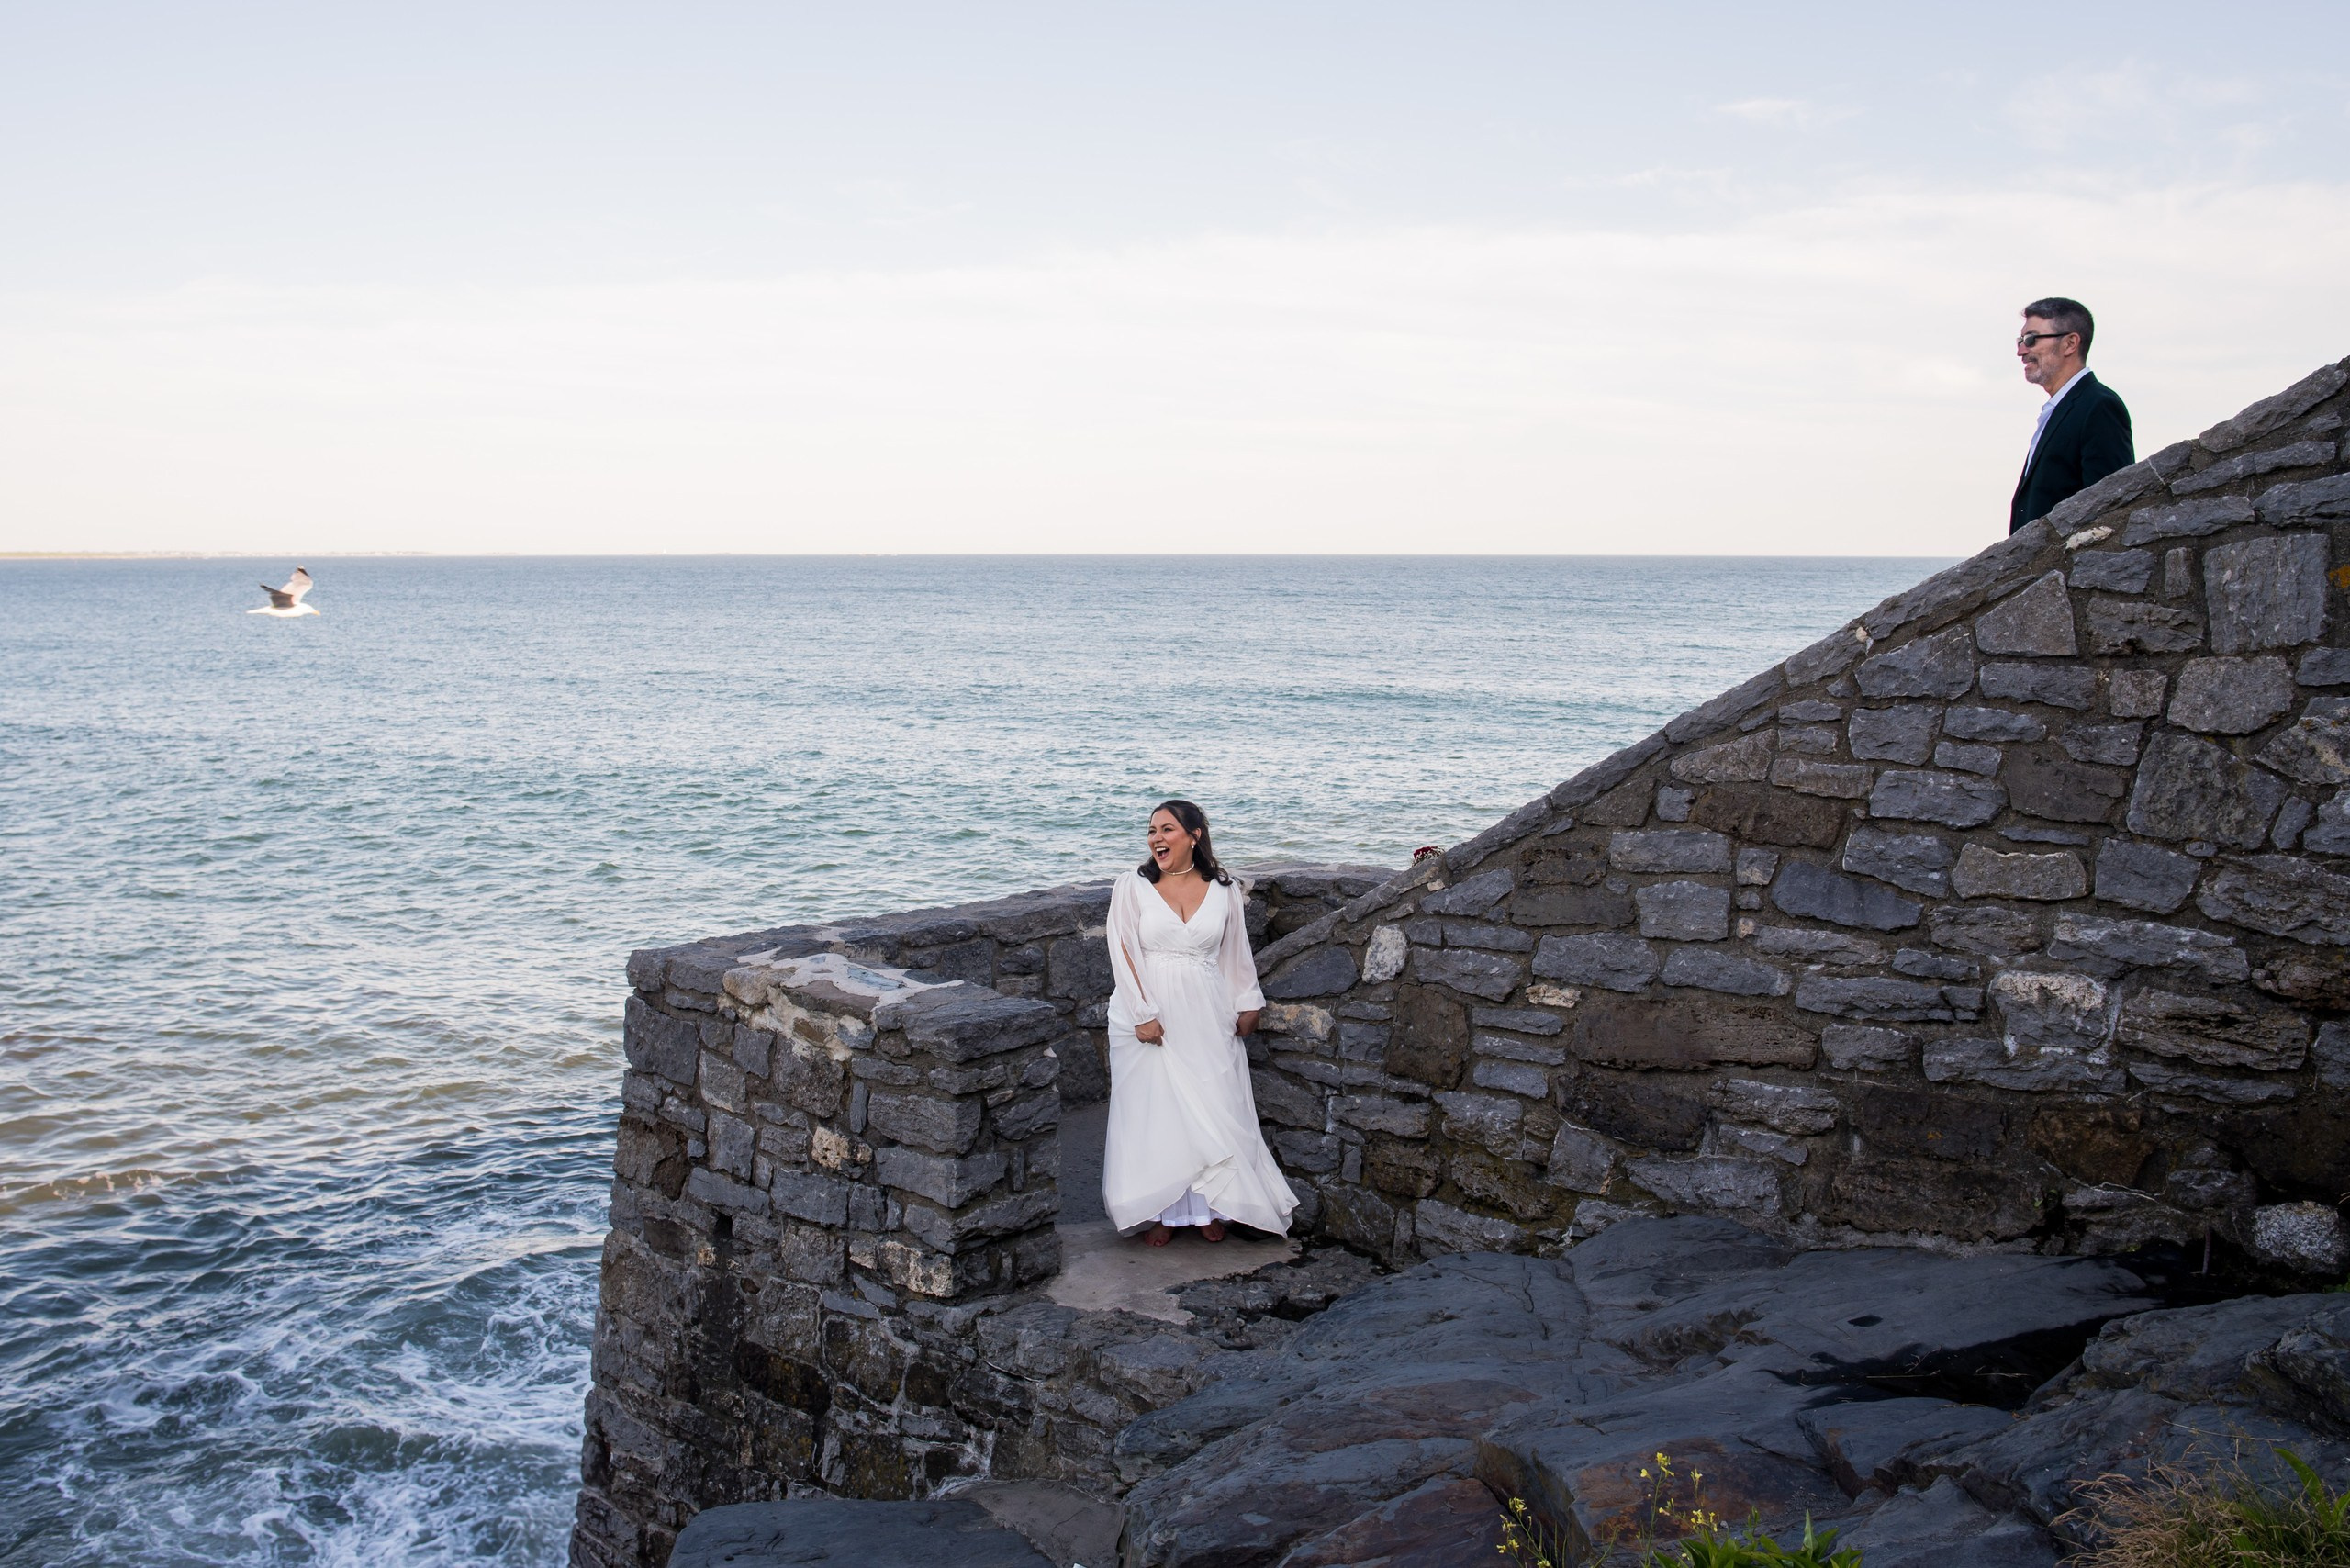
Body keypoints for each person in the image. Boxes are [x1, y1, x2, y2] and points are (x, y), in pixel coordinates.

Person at [1101, 800, 1299, 1246]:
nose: (1155, 838)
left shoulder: (1224, 888)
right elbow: (1124, 950)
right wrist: (1143, 1013)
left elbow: (1235, 953)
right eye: (1151, 831)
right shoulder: (1131, 886)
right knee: (1157, 1114)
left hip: (1207, 1009)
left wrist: (1248, 1001)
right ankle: (1165, 1214)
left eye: (1166, 830)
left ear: (1194, 836)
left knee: (1215, 1104)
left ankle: (1211, 1208)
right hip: (1152, 1011)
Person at [2010, 297, 2133, 533]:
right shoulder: (2058, 409)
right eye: (2021, 340)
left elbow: (2111, 506)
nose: (2021, 351)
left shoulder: (2099, 406)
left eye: (2031, 339)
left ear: (2069, 344)